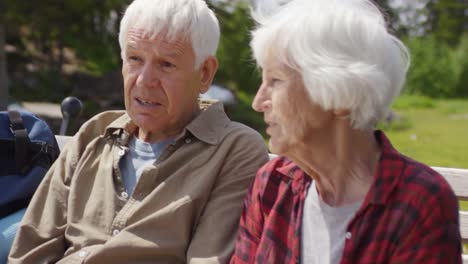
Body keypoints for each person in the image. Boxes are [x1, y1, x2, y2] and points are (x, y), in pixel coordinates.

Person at [8, 0, 269, 263]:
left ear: (204, 73)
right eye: (134, 58)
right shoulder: (94, 133)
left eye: (166, 64)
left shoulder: (235, 150)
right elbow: (32, 250)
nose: (144, 80)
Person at [230, 0, 462, 263]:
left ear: (341, 96)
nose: (258, 102)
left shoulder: (418, 203)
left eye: (275, 81)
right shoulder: (271, 184)